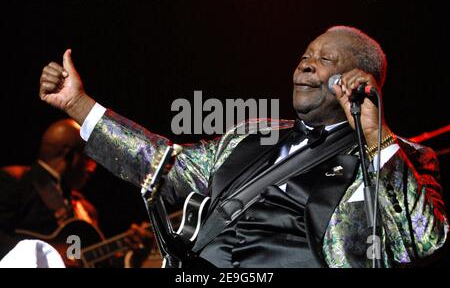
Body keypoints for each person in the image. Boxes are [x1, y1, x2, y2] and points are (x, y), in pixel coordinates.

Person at [38, 26, 448, 267]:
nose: (305, 64)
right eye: (305, 55)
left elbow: (424, 243)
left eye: (325, 60)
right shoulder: (252, 135)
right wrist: (79, 104)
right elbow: (167, 167)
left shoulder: (401, 158)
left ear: (359, 79)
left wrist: (375, 135)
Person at [0, 119, 152, 267]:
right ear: (70, 156)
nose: (93, 168)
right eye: (89, 159)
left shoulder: (85, 209)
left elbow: (96, 262)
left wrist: (132, 258)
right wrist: (48, 258)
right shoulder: (15, 181)